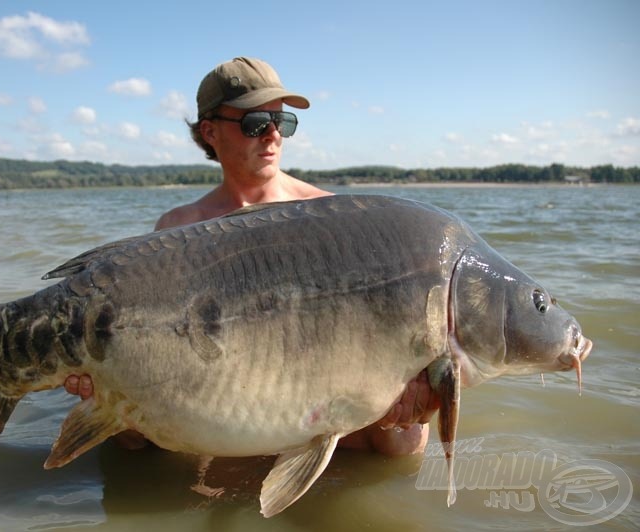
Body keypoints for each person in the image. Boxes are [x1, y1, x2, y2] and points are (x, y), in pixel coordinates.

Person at [64, 57, 439, 456]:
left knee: (404, 443)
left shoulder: (335, 218)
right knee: (135, 438)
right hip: (226, 402)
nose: (273, 135)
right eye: (255, 123)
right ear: (210, 131)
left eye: (283, 122)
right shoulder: (177, 229)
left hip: (321, 390)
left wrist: (408, 385)